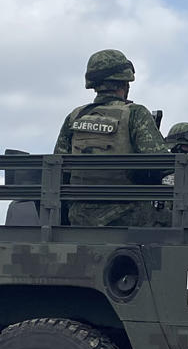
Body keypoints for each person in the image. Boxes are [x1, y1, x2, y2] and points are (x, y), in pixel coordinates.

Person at [55, 49, 167, 227]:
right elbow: (161, 164)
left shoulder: (75, 117)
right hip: (129, 218)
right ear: (125, 82)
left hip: (79, 218)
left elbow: (57, 168)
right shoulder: (135, 113)